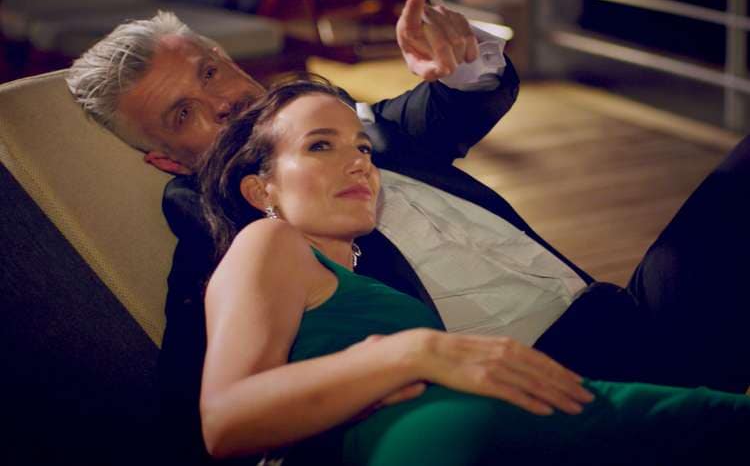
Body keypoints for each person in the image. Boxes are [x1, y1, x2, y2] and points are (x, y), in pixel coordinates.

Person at [66, 0, 750, 462]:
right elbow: (202, 417)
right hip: (531, 384)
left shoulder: (336, 121)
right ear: (164, 158)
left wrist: (461, 65)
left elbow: (443, 109)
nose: (222, 100)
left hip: (616, 311)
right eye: (183, 114)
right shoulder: (221, 234)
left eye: (211, 70)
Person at [196, 79, 749, 465]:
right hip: (463, 439)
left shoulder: (347, 273)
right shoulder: (267, 240)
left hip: (515, 416)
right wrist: (412, 352)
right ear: (260, 189)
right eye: (320, 146)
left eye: (361, 147)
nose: (358, 161)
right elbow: (224, 420)